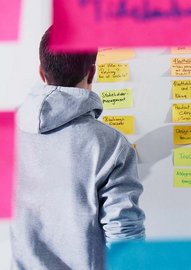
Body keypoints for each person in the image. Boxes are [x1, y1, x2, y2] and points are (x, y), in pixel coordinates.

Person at [11, 27, 145, 270]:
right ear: (92, 72)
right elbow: (125, 237)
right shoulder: (111, 144)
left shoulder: (8, 136)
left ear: (41, 72)